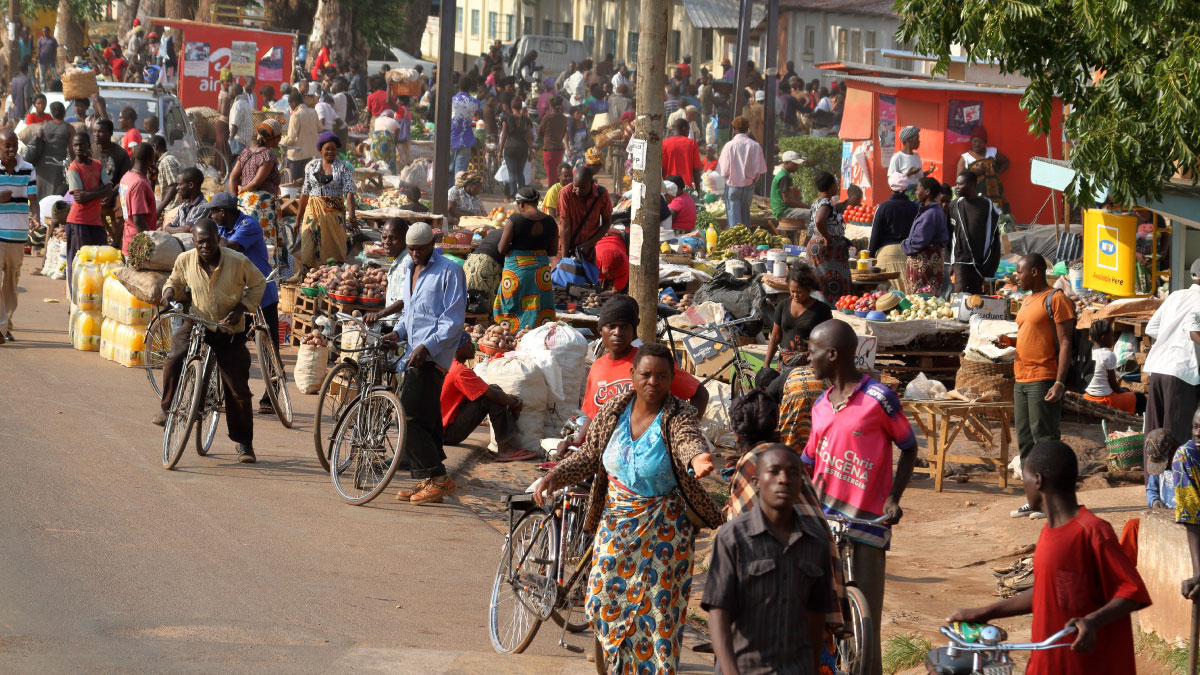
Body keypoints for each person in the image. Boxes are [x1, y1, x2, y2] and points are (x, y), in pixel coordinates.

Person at [534, 342, 721, 674]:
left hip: (665, 533)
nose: (653, 382)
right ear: (633, 376)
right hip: (615, 524)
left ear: (671, 378)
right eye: (646, 374)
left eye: (662, 376)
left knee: (657, 615)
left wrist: (698, 457)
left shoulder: (678, 415)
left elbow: (687, 439)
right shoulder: (615, 410)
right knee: (600, 599)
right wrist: (557, 476)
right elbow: (590, 456)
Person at [948, 440, 1151, 675]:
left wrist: (1093, 622)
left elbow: (1131, 591)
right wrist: (986, 612)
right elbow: (1047, 591)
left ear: (1037, 480)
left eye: (1024, 477)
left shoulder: (1092, 531)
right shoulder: (1049, 532)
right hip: (1049, 662)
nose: (1023, 485)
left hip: (1085, 666)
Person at [803, 319, 918, 675]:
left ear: (833, 354)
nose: (809, 358)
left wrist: (893, 498)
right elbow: (809, 461)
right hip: (824, 522)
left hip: (867, 522)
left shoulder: (879, 399)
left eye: (812, 351)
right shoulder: (820, 404)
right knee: (818, 616)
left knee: (865, 620)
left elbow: (909, 447)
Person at [704, 445, 837, 675]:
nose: (784, 479)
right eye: (774, 471)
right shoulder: (733, 539)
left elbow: (817, 619)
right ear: (756, 482)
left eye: (793, 473)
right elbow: (718, 615)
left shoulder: (816, 541)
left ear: (802, 484)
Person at [154, 219, 267, 463]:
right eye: (200, 241)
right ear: (193, 241)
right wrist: (169, 291)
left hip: (229, 329)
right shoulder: (185, 260)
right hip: (197, 322)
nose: (205, 246)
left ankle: (244, 443)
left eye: (209, 241)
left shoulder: (237, 261)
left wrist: (242, 308)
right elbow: (174, 279)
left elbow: (259, 283)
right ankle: (167, 408)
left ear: (218, 239)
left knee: (238, 390)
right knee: (175, 356)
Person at [383, 222, 467, 505]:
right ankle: (429, 481)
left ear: (432, 245)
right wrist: (398, 333)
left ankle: (440, 478)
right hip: (412, 355)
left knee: (408, 417)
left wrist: (425, 346)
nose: (415, 254)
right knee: (428, 419)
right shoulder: (408, 268)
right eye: (411, 250)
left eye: (420, 249)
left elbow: (452, 321)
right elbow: (410, 314)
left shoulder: (450, 271)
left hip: (433, 357)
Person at [997, 254, 1075, 519]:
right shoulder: (1028, 300)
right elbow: (1031, 336)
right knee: (1026, 442)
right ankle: (1034, 501)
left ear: (1035, 272)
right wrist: (1010, 341)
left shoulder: (1057, 299)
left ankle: (1053, 501)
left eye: (1020, 272)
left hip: (1044, 377)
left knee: (1046, 440)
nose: (1016, 276)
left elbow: (1065, 343)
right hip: (1021, 378)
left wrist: (1060, 382)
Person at [206, 192, 281, 415]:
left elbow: (230, 248)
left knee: (270, 348)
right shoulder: (220, 228)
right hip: (237, 294)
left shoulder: (250, 225)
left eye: (214, 212)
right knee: (227, 343)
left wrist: (207, 234)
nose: (211, 216)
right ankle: (220, 392)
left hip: (262, 292)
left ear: (223, 212)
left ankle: (272, 394)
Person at [441, 332, 533, 461]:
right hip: (448, 434)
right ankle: (504, 449)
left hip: (442, 430)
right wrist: (513, 403)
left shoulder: (449, 365)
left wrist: (508, 399)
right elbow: (491, 394)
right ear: (459, 348)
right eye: (468, 343)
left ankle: (505, 446)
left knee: (492, 391)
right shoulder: (459, 371)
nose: (473, 346)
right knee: (490, 396)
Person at [1143, 259, 1200, 442]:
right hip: (1182, 374)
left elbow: (1151, 328)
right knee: (1176, 437)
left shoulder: (1176, 295)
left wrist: (1171, 338)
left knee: (1155, 436)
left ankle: (1151, 472)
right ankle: (1174, 472)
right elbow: (1192, 327)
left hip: (1159, 368)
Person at [492, 186, 557, 331]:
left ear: (521, 203)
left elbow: (501, 249)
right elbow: (552, 251)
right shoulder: (551, 222)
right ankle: (537, 338)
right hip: (541, 275)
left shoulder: (514, 219)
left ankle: (511, 339)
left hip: (517, 272)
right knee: (538, 310)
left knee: (510, 308)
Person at [293, 131, 356, 276]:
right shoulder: (311, 166)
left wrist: (352, 217)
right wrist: (298, 219)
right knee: (309, 245)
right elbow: (305, 193)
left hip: (334, 214)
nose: (330, 152)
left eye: (333, 149)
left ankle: (332, 278)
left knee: (334, 248)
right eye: (327, 148)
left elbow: (349, 192)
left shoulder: (343, 167)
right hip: (312, 212)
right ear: (320, 149)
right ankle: (309, 277)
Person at [228, 119, 284, 272]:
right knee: (265, 244)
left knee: (245, 240)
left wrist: (236, 199)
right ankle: (265, 278)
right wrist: (243, 189)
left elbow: (232, 177)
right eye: (279, 137)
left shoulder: (246, 151)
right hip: (261, 207)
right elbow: (256, 182)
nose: (279, 141)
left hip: (244, 204)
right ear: (272, 138)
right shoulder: (268, 156)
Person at [64, 131, 113, 297]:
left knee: (100, 261)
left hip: (95, 222)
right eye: (76, 145)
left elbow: (108, 188)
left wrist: (90, 193)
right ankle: (77, 299)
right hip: (78, 221)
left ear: (88, 146)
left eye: (82, 145)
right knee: (80, 263)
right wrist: (99, 192)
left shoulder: (98, 165)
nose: (79, 148)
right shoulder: (73, 168)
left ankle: (94, 296)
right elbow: (79, 198)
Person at [0, 129, 37, 345]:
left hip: (17, 235)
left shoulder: (28, 169)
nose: (12, 149)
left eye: (14, 146)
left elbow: (33, 196)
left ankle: (6, 325)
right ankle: (1, 327)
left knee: (11, 285)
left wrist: (37, 215)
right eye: (7, 146)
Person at [764, 263, 832, 369]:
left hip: (810, 366)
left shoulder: (822, 310)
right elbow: (775, 336)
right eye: (792, 291)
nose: (795, 295)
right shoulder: (782, 306)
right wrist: (766, 364)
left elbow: (827, 341)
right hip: (785, 365)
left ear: (809, 289)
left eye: (799, 292)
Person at [948, 170, 1002, 293]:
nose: (957, 188)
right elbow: (949, 235)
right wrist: (951, 263)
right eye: (956, 184)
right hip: (960, 261)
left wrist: (990, 268)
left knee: (976, 298)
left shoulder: (987, 206)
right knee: (961, 297)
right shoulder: (954, 206)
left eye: (960, 184)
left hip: (979, 262)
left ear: (972, 185)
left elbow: (993, 237)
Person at [868, 173, 919, 292]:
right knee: (908, 297)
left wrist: (870, 256)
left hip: (886, 256)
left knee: (885, 298)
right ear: (906, 188)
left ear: (890, 188)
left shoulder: (883, 207)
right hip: (908, 255)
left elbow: (875, 235)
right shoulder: (915, 208)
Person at [807, 171, 851, 304]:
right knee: (831, 283)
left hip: (818, 247)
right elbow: (820, 221)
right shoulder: (826, 203)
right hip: (828, 252)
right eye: (836, 185)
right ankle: (831, 313)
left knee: (821, 282)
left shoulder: (817, 202)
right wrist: (829, 238)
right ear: (832, 186)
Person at [1083, 319, 1144, 414]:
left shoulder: (1088, 353)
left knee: (1126, 390)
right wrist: (1124, 393)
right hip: (1105, 400)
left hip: (1088, 396)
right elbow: (1113, 384)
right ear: (1103, 338)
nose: (1113, 338)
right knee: (1140, 397)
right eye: (1111, 336)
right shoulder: (1107, 355)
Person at [901, 176, 950, 294]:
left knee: (921, 299)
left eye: (918, 189)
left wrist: (905, 244)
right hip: (929, 262)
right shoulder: (932, 211)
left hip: (925, 264)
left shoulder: (930, 214)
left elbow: (919, 241)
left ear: (927, 192)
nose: (916, 192)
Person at [1171, 408, 1200, 604]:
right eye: (1195, 427)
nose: (1197, 433)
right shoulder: (1185, 458)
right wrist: (1199, 573)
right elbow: (1191, 515)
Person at [718, 116, 767, 230]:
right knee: (746, 216)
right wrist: (751, 180)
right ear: (747, 129)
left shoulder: (729, 146)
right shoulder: (755, 146)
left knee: (734, 219)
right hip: (748, 187)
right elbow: (759, 170)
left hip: (733, 187)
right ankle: (745, 243)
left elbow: (723, 171)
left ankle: (736, 244)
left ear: (734, 129)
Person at [557, 166, 612, 263]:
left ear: (591, 183)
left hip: (588, 252)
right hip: (565, 248)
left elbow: (607, 222)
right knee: (565, 276)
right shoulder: (565, 193)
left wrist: (589, 244)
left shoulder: (602, 194)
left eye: (582, 187)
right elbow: (565, 227)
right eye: (575, 186)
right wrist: (564, 260)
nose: (578, 190)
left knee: (587, 277)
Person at [361, 217, 409, 327]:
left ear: (405, 239)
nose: (387, 242)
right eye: (384, 237)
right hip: (392, 323)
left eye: (393, 238)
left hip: (401, 327)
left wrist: (379, 314)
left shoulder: (407, 263)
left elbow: (404, 300)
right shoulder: (398, 259)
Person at [24, 101, 71, 209]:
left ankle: (38, 215)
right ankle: (52, 214)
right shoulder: (68, 128)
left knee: (41, 189)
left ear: (52, 113)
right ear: (64, 112)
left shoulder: (44, 126)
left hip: (43, 164)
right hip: (58, 164)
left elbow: (37, 141)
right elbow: (72, 150)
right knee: (55, 192)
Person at [956, 126, 1010, 213]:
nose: (977, 144)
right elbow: (960, 180)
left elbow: (1006, 162)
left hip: (995, 196)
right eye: (975, 141)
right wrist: (974, 173)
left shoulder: (992, 152)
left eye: (980, 142)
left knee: (997, 219)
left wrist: (995, 173)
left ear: (985, 142)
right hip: (976, 197)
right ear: (971, 141)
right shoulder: (965, 158)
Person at [118, 142, 157, 255]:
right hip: (138, 247)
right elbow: (139, 221)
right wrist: (148, 248)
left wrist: (151, 181)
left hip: (128, 240)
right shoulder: (139, 184)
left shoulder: (126, 177)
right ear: (151, 160)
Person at [281, 91, 320, 182]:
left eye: (290, 105)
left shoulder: (296, 115)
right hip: (309, 154)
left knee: (291, 185)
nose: (291, 107)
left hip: (296, 156)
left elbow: (291, 138)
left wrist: (279, 140)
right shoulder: (313, 112)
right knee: (304, 185)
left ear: (293, 103)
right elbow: (320, 127)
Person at [499, 98, 534, 198]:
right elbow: (528, 137)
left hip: (510, 149)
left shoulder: (507, 119)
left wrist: (500, 151)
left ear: (511, 107)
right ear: (521, 107)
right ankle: (523, 195)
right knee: (520, 174)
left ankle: (513, 195)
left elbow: (504, 136)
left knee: (512, 174)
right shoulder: (526, 120)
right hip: (522, 150)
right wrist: (531, 151)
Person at [449, 77, 481, 182]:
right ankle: (456, 195)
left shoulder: (451, 100)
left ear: (458, 86)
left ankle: (447, 195)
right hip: (466, 140)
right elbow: (478, 117)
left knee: (448, 169)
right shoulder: (475, 102)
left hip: (450, 139)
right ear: (470, 87)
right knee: (460, 173)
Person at [662, 118, 703, 189]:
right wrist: (698, 190)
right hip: (685, 187)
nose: (688, 133)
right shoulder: (692, 143)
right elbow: (696, 170)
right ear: (684, 129)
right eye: (688, 130)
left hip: (668, 187)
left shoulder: (664, 143)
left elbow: (662, 168)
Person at [769, 150, 810, 222]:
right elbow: (787, 200)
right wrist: (807, 207)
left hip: (783, 209)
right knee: (813, 213)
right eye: (794, 164)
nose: (797, 166)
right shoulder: (784, 177)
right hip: (783, 211)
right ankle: (811, 233)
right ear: (786, 163)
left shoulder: (783, 174)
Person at [163, 167, 206, 235]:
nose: (177, 188)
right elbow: (173, 226)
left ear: (191, 185)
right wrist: (168, 228)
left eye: (180, 185)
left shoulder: (203, 206)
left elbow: (185, 230)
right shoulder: (183, 206)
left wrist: (168, 228)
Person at [1144, 428, 1178, 509]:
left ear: (1174, 449)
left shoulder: (1187, 464)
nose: (1163, 467)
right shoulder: (1158, 470)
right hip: (1166, 515)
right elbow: (1151, 490)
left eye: (1162, 462)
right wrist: (1154, 501)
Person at [888, 126, 927, 196]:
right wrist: (908, 174)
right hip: (904, 194)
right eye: (916, 139)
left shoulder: (916, 156)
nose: (919, 141)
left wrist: (928, 172)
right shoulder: (897, 157)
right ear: (908, 140)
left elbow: (919, 177)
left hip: (918, 193)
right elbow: (892, 181)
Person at [537, 96, 567, 188]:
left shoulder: (547, 118)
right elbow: (563, 133)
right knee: (557, 174)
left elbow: (539, 131)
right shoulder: (563, 118)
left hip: (549, 149)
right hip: (559, 148)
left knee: (550, 175)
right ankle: (558, 195)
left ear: (550, 106)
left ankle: (551, 196)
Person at [370, 109, 400, 174]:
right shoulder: (395, 122)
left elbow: (373, 132)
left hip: (376, 139)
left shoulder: (376, 120)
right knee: (389, 159)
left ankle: (374, 174)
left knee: (375, 156)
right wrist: (394, 147)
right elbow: (396, 137)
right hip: (387, 139)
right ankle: (390, 175)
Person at [228, 84, 253, 158]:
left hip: (238, 141)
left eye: (229, 92)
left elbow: (235, 125)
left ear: (234, 92)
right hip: (245, 141)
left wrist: (230, 138)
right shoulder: (245, 103)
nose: (228, 94)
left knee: (237, 164)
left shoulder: (237, 105)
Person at [36, 27, 57, 91]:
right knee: (42, 77)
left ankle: (57, 87)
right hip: (42, 61)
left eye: (46, 31)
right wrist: (37, 57)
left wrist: (54, 60)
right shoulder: (40, 40)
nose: (45, 33)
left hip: (51, 61)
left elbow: (55, 51)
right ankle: (43, 90)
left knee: (55, 75)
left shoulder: (53, 40)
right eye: (43, 31)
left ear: (49, 31)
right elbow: (38, 50)